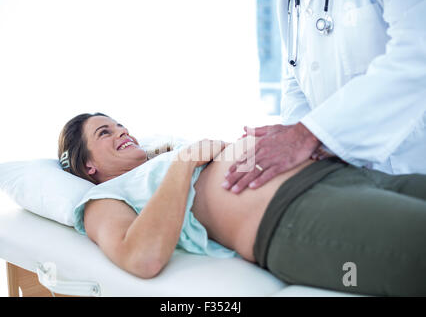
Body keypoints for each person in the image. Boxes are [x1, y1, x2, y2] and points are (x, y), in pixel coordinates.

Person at [57, 112, 426, 296]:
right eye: (104, 132)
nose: (122, 131)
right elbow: (142, 257)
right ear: (87, 164)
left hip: (343, 174)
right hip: (295, 215)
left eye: (120, 125)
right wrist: (185, 162)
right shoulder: (102, 198)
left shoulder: (160, 158)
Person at [223, 0, 426, 195]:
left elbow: (417, 54)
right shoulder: (289, 1)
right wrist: (300, 142)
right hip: (346, 179)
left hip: (410, 163)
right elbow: (295, 73)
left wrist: (310, 134)